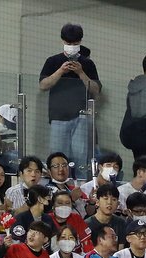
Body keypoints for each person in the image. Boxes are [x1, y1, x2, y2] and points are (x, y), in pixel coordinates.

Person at [38, 24, 100, 178]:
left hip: (82, 116)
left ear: (80, 42)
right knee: (58, 158)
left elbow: (96, 89)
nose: (72, 46)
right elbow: (43, 85)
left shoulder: (87, 63)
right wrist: (60, 71)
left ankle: (80, 186)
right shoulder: (53, 61)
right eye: (69, 43)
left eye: (75, 44)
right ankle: (57, 188)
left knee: (80, 158)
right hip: (59, 117)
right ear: (63, 41)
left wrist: (80, 72)